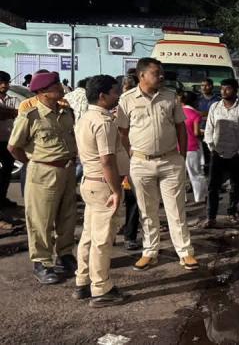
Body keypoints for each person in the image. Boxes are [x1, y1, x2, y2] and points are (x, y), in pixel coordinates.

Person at [117, 58, 198, 272]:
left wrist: (181, 157)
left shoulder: (170, 97)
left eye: (161, 72)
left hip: (170, 161)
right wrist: (128, 159)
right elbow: (122, 133)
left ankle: (185, 252)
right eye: (156, 73)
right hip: (140, 163)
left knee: (176, 209)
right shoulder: (126, 100)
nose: (161, 76)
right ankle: (150, 252)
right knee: (146, 210)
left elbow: (181, 128)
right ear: (141, 75)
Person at [7, 71, 78, 284]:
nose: (60, 88)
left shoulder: (66, 112)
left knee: (67, 216)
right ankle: (42, 262)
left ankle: (65, 255)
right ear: (43, 92)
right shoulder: (30, 116)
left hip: (67, 170)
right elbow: (14, 147)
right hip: (43, 171)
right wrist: (33, 163)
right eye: (56, 86)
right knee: (41, 219)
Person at [73, 75, 127, 307]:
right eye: (115, 92)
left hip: (90, 182)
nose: (118, 96)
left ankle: (83, 281)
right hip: (103, 185)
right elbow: (107, 161)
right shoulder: (103, 122)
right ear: (103, 96)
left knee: (89, 235)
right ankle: (101, 288)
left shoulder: (86, 118)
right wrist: (116, 190)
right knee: (102, 239)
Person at [202, 78, 239, 228]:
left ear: (235, 91)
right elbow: (209, 129)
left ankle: (232, 213)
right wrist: (212, 148)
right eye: (222, 88)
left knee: (234, 186)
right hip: (217, 153)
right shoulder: (215, 107)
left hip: (234, 154)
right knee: (213, 186)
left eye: (227, 88)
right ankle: (211, 217)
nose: (223, 91)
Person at [118, 75, 140, 251]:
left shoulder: (138, 106)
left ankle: (130, 235)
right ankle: (110, 234)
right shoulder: (112, 108)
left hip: (133, 160)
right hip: (112, 161)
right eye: (127, 88)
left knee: (132, 199)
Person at [181, 91, 206, 205]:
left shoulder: (177, 112)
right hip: (191, 147)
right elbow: (196, 132)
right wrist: (203, 132)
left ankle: (182, 198)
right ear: (195, 102)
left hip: (177, 148)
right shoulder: (195, 114)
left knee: (179, 176)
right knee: (195, 174)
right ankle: (199, 197)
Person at [0, 71, 21, 208]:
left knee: (7, 171)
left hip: (9, 141)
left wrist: (7, 113)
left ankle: (2, 198)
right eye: (1, 82)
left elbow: (20, 114)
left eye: (6, 82)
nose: (4, 85)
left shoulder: (14, 99)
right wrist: (11, 113)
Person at [198, 78, 221, 174]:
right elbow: (194, 114)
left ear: (211, 86)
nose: (203, 87)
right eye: (202, 85)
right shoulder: (197, 100)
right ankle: (206, 171)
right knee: (203, 153)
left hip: (214, 131)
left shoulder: (218, 100)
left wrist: (203, 115)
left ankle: (215, 172)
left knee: (214, 152)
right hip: (200, 130)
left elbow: (219, 114)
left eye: (206, 85)